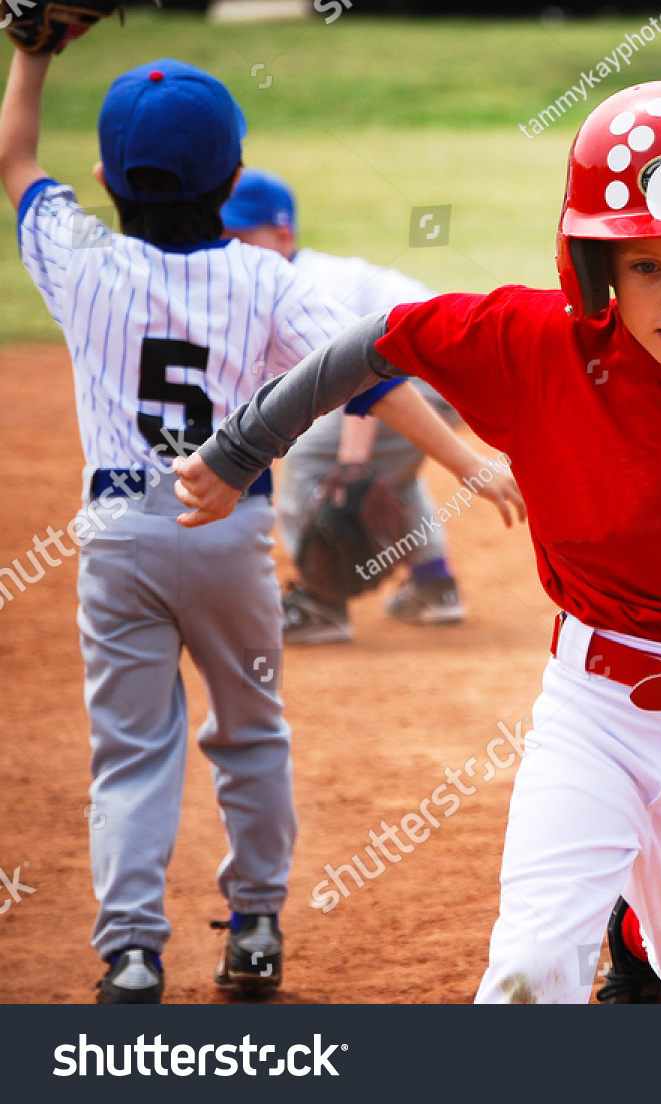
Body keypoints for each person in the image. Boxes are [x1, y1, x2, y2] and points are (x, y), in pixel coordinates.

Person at [174, 80, 661, 1004]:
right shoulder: (535, 344)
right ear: (597, 267)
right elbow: (382, 341)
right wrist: (241, 447)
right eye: (647, 265)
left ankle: (640, 944)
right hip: (598, 707)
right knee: (531, 963)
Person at [0, 50, 516, 1003]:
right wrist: (468, 461)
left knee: (129, 746)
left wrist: (29, 55)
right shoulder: (265, 280)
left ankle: (130, 952)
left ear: (108, 177)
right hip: (231, 534)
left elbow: (16, 160)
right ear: (235, 179)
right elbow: (364, 368)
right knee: (250, 731)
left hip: (117, 537)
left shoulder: (78, 258)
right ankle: (255, 930)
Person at [221, 169, 472, 643]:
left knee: (315, 456)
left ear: (282, 235)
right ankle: (433, 583)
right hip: (445, 375)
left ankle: (322, 601)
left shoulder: (306, 284)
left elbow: (364, 374)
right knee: (385, 465)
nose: (226, 250)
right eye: (219, 238)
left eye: (238, 237)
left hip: (426, 373)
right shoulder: (289, 277)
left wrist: (351, 462)